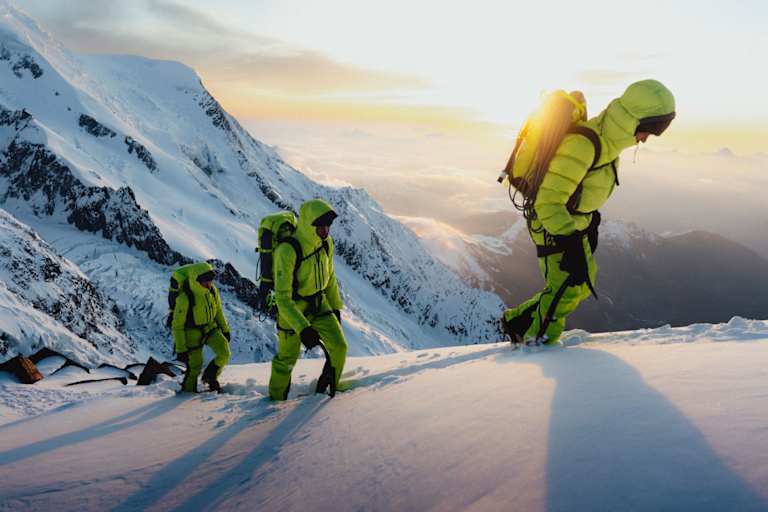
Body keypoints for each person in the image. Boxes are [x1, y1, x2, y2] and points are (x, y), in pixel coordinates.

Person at [502, 79, 676, 345]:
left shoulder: (608, 144)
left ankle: (517, 322)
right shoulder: (584, 145)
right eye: (647, 130)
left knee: (581, 283)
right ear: (633, 120)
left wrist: (590, 218)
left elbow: (581, 188)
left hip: (572, 223)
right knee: (566, 287)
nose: (645, 138)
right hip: (552, 225)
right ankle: (537, 342)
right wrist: (569, 240)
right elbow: (548, 201)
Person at [268, 199, 347, 400]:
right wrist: (302, 328)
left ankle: (327, 390)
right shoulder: (287, 250)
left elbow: (330, 278)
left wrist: (335, 307)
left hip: (319, 304)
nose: (325, 230)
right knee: (286, 360)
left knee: (339, 348)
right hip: (292, 310)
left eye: (328, 225)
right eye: (320, 226)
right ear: (308, 224)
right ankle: (274, 402)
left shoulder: (326, 243)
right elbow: (282, 298)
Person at [171, 262, 231, 392]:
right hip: (191, 333)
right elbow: (177, 326)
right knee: (194, 368)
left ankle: (211, 377)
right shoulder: (184, 298)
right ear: (196, 280)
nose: (209, 283)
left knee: (224, 353)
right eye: (206, 281)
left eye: (211, 280)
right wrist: (181, 349)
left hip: (210, 328)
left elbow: (218, 311)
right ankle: (187, 393)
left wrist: (225, 329)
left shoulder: (212, 291)